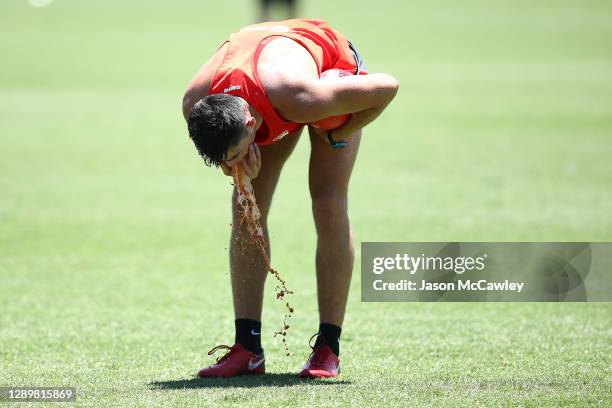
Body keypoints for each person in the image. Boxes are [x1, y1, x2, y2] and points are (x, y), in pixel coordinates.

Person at [182, 18, 398, 378]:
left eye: (237, 153)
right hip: (265, 74)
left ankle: (328, 348)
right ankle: (247, 348)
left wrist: (339, 133)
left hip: (326, 66)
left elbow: (387, 88)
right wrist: (233, 166)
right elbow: (220, 153)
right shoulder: (196, 106)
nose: (232, 163)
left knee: (327, 202)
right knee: (245, 207)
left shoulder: (302, 97)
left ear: (251, 126)